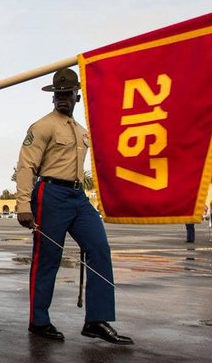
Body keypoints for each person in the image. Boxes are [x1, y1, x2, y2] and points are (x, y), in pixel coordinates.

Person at [14, 68, 133, 345]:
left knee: (99, 248)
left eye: (68, 94)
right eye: (58, 95)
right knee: (47, 258)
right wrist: (23, 204)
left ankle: (96, 320)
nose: (63, 99)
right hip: (50, 194)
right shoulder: (41, 126)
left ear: (77, 96)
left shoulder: (81, 131)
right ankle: (38, 320)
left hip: (78, 197)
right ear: (52, 98)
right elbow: (26, 165)